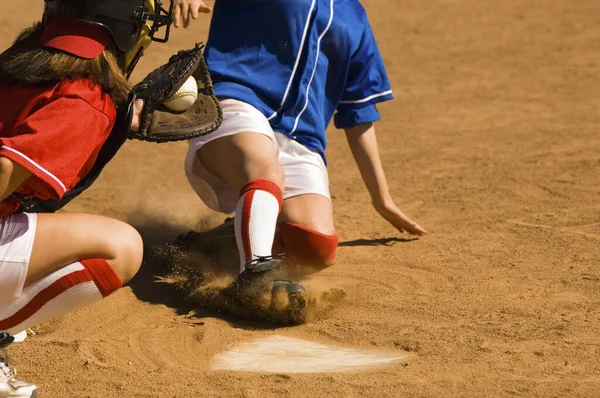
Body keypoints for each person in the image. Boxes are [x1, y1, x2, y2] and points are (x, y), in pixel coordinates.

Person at [178, 0, 426, 321]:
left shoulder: (354, 18)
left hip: (301, 138)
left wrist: (382, 198)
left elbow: (358, 114)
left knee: (314, 247)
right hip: (236, 102)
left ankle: (221, 242)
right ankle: (254, 275)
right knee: (266, 169)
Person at [0, 1, 175, 396]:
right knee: (121, 247)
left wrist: (117, 119)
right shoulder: (82, 99)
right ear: (125, 30)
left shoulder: (19, 64)